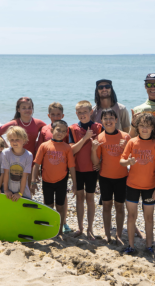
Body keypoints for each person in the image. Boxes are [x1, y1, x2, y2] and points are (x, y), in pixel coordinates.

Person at [120, 112, 155, 256]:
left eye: (148, 126)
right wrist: (128, 162)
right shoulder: (132, 142)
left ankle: (149, 245)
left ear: (153, 128)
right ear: (137, 127)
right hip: (132, 185)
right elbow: (122, 161)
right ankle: (131, 246)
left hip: (150, 187)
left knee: (149, 218)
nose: (144, 129)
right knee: (131, 216)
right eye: (141, 126)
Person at [91, 109, 129, 243]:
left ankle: (118, 234)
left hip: (122, 177)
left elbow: (131, 159)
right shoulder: (100, 138)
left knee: (120, 206)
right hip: (105, 177)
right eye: (105, 118)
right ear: (101, 121)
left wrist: (125, 148)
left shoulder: (125, 136)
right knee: (106, 206)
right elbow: (96, 162)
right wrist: (94, 149)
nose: (108, 121)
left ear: (116, 120)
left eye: (111, 118)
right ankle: (107, 234)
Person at [31, 120, 76, 231]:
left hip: (61, 181)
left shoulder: (67, 148)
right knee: (49, 205)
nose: (61, 133)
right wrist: (33, 182)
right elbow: (36, 164)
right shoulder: (44, 146)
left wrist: (75, 183)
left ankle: (59, 229)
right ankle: (49, 228)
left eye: (64, 131)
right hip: (47, 180)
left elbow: (71, 167)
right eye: (58, 130)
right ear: (52, 130)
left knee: (60, 206)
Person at [68, 102, 103, 239]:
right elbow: (72, 151)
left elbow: (104, 147)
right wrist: (85, 138)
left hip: (92, 169)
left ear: (91, 112)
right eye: (79, 112)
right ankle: (80, 227)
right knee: (79, 198)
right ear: (76, 114)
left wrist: (100, 164)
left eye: (85, 112)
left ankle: (90, 228)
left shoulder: (99, 127)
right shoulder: (72, 128)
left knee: (90, 198)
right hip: (77, 169)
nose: (82, 114)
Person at [0, 126, 33, 200]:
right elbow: (6, 173)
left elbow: (24, 176)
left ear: (24, 140)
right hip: (8, 190)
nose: (14, 142)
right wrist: (6, 190)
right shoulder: (6, 153)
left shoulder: (28, 155)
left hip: (23, 191)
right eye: (12, 140)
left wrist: (20, 193)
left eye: (17, 139)